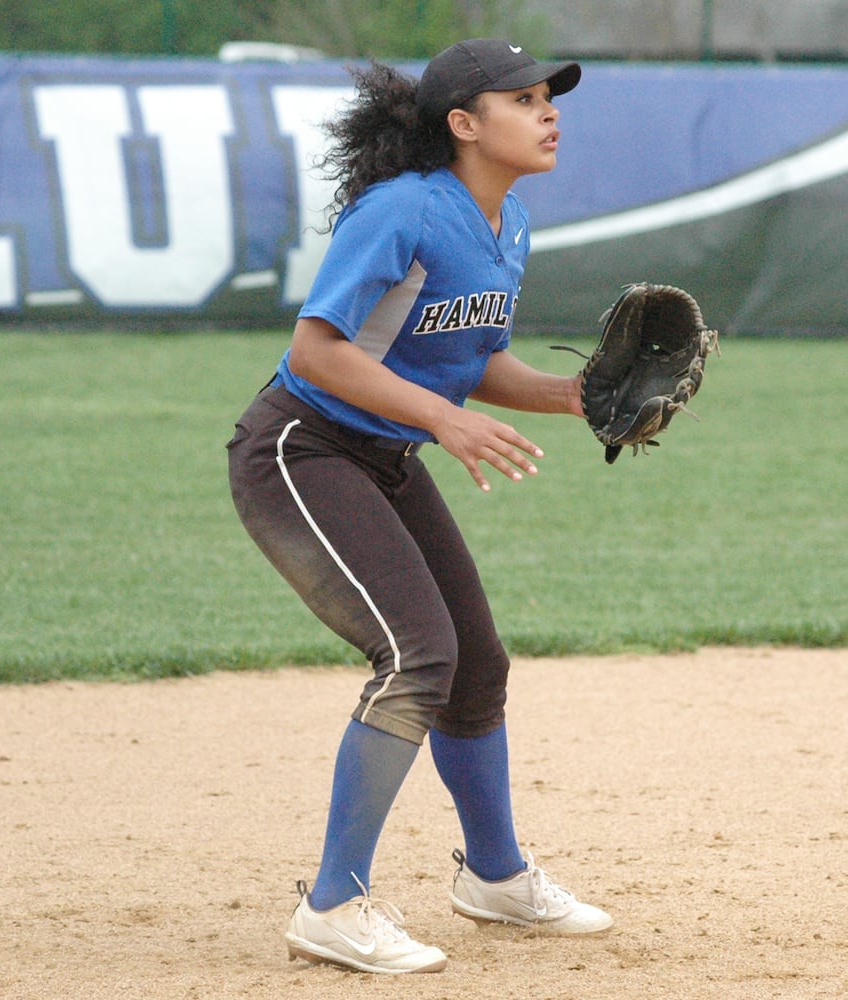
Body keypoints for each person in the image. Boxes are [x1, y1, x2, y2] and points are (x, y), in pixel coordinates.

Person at [226, 38, 613, 975]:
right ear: (464, 124)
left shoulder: (505, 223)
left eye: (548, 97)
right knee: (417, 656)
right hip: (303, 448)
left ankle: (493, 875)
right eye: (523, 98)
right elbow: (318, 351)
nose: (548, 110)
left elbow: (470, 358)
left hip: (386, 452)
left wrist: (576, 396)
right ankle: (332, 904)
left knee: (474, 663)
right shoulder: (400, 210)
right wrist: (446, 422)